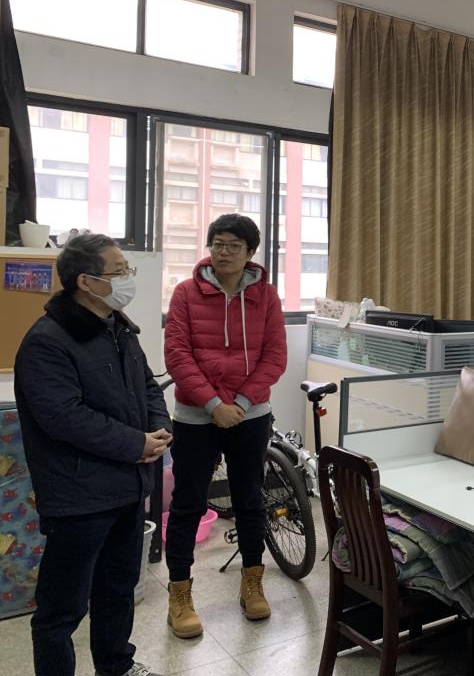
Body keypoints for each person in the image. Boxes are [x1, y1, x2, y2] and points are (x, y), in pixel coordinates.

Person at [14, 233, 171, 676]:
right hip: (79, 495)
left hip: (128, 487)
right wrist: (135, 444)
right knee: (61, 609)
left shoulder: (119, 327)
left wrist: (160, 430)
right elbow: (63, 417)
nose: (128, 278)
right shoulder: (48, 340)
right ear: (86, 281)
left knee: (118, 589)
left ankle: (117, 666)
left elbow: (148, 386)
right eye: (119, 271)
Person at [163, 214, 286, 638]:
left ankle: (252, 582)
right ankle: (180, 594)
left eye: (234, 245)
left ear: (250, 252)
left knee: (250, 498)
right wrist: (214, 404)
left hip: (250, 415)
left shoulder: (266, 295)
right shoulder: (186, 293)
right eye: (217, 243)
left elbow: (275, 355)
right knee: (187, 503)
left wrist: (243, 402)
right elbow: (177, 355)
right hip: (197, 416)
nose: (224, 252)